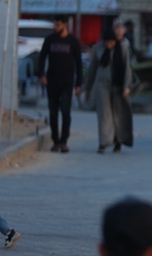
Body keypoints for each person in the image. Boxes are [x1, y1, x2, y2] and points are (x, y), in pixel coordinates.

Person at [38, 15, 83, 153]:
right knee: (53, 112)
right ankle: (55, 141)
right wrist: (42, 75)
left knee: (65, 111)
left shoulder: (73, 41)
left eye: (58, 25)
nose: (55, 27)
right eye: (54, 24)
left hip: (67, 82)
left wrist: (79, 84)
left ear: (65, 25)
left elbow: (79, 63)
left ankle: (64, 141)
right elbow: (42, 58)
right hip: (52, 81)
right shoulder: (50, 40)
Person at [85, 29, 134, 154]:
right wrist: (88, 88)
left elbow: (127, 67)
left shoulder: (122, 47)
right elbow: (93, 68)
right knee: (104, 115)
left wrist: (127, 86)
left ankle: (118, 141)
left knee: (119, 114)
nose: (109, 45)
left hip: (118, 86)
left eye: (112, 43)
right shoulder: (99, 48)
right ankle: (103, 143)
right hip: (102, 85)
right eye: (107, 43)